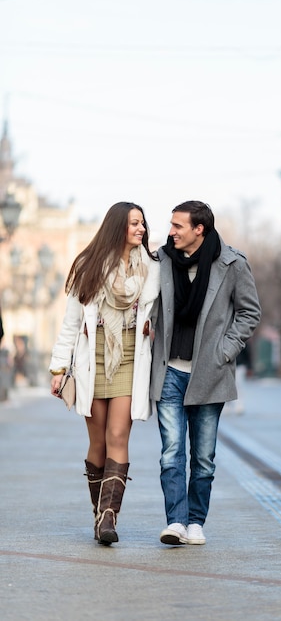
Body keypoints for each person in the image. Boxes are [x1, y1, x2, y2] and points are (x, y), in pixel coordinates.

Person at [150, 200, 261, 546]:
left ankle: (196, 521)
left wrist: (224, 352)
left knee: (203, 457)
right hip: (169, 370)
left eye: (178, 226)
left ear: (200, 229)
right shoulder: (162, 260)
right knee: (171, 452)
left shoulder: (232, 264)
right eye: (171, 225)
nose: (171, 232)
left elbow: (249, 313)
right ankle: (176, 522)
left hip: (209, 374)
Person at [49, 202, 160, 545]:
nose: (141, 229)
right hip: (92, 361)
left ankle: (110, 517)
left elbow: (159, 312)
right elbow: (70, 322)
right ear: (117, 228)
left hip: (130, 359)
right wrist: (58, 367)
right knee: (97, 442)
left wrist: (152, 327)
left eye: (142, 223)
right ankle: (99, 514)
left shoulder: (152, 267)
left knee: (117, 436)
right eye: (134, 224)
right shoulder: (88, 265)